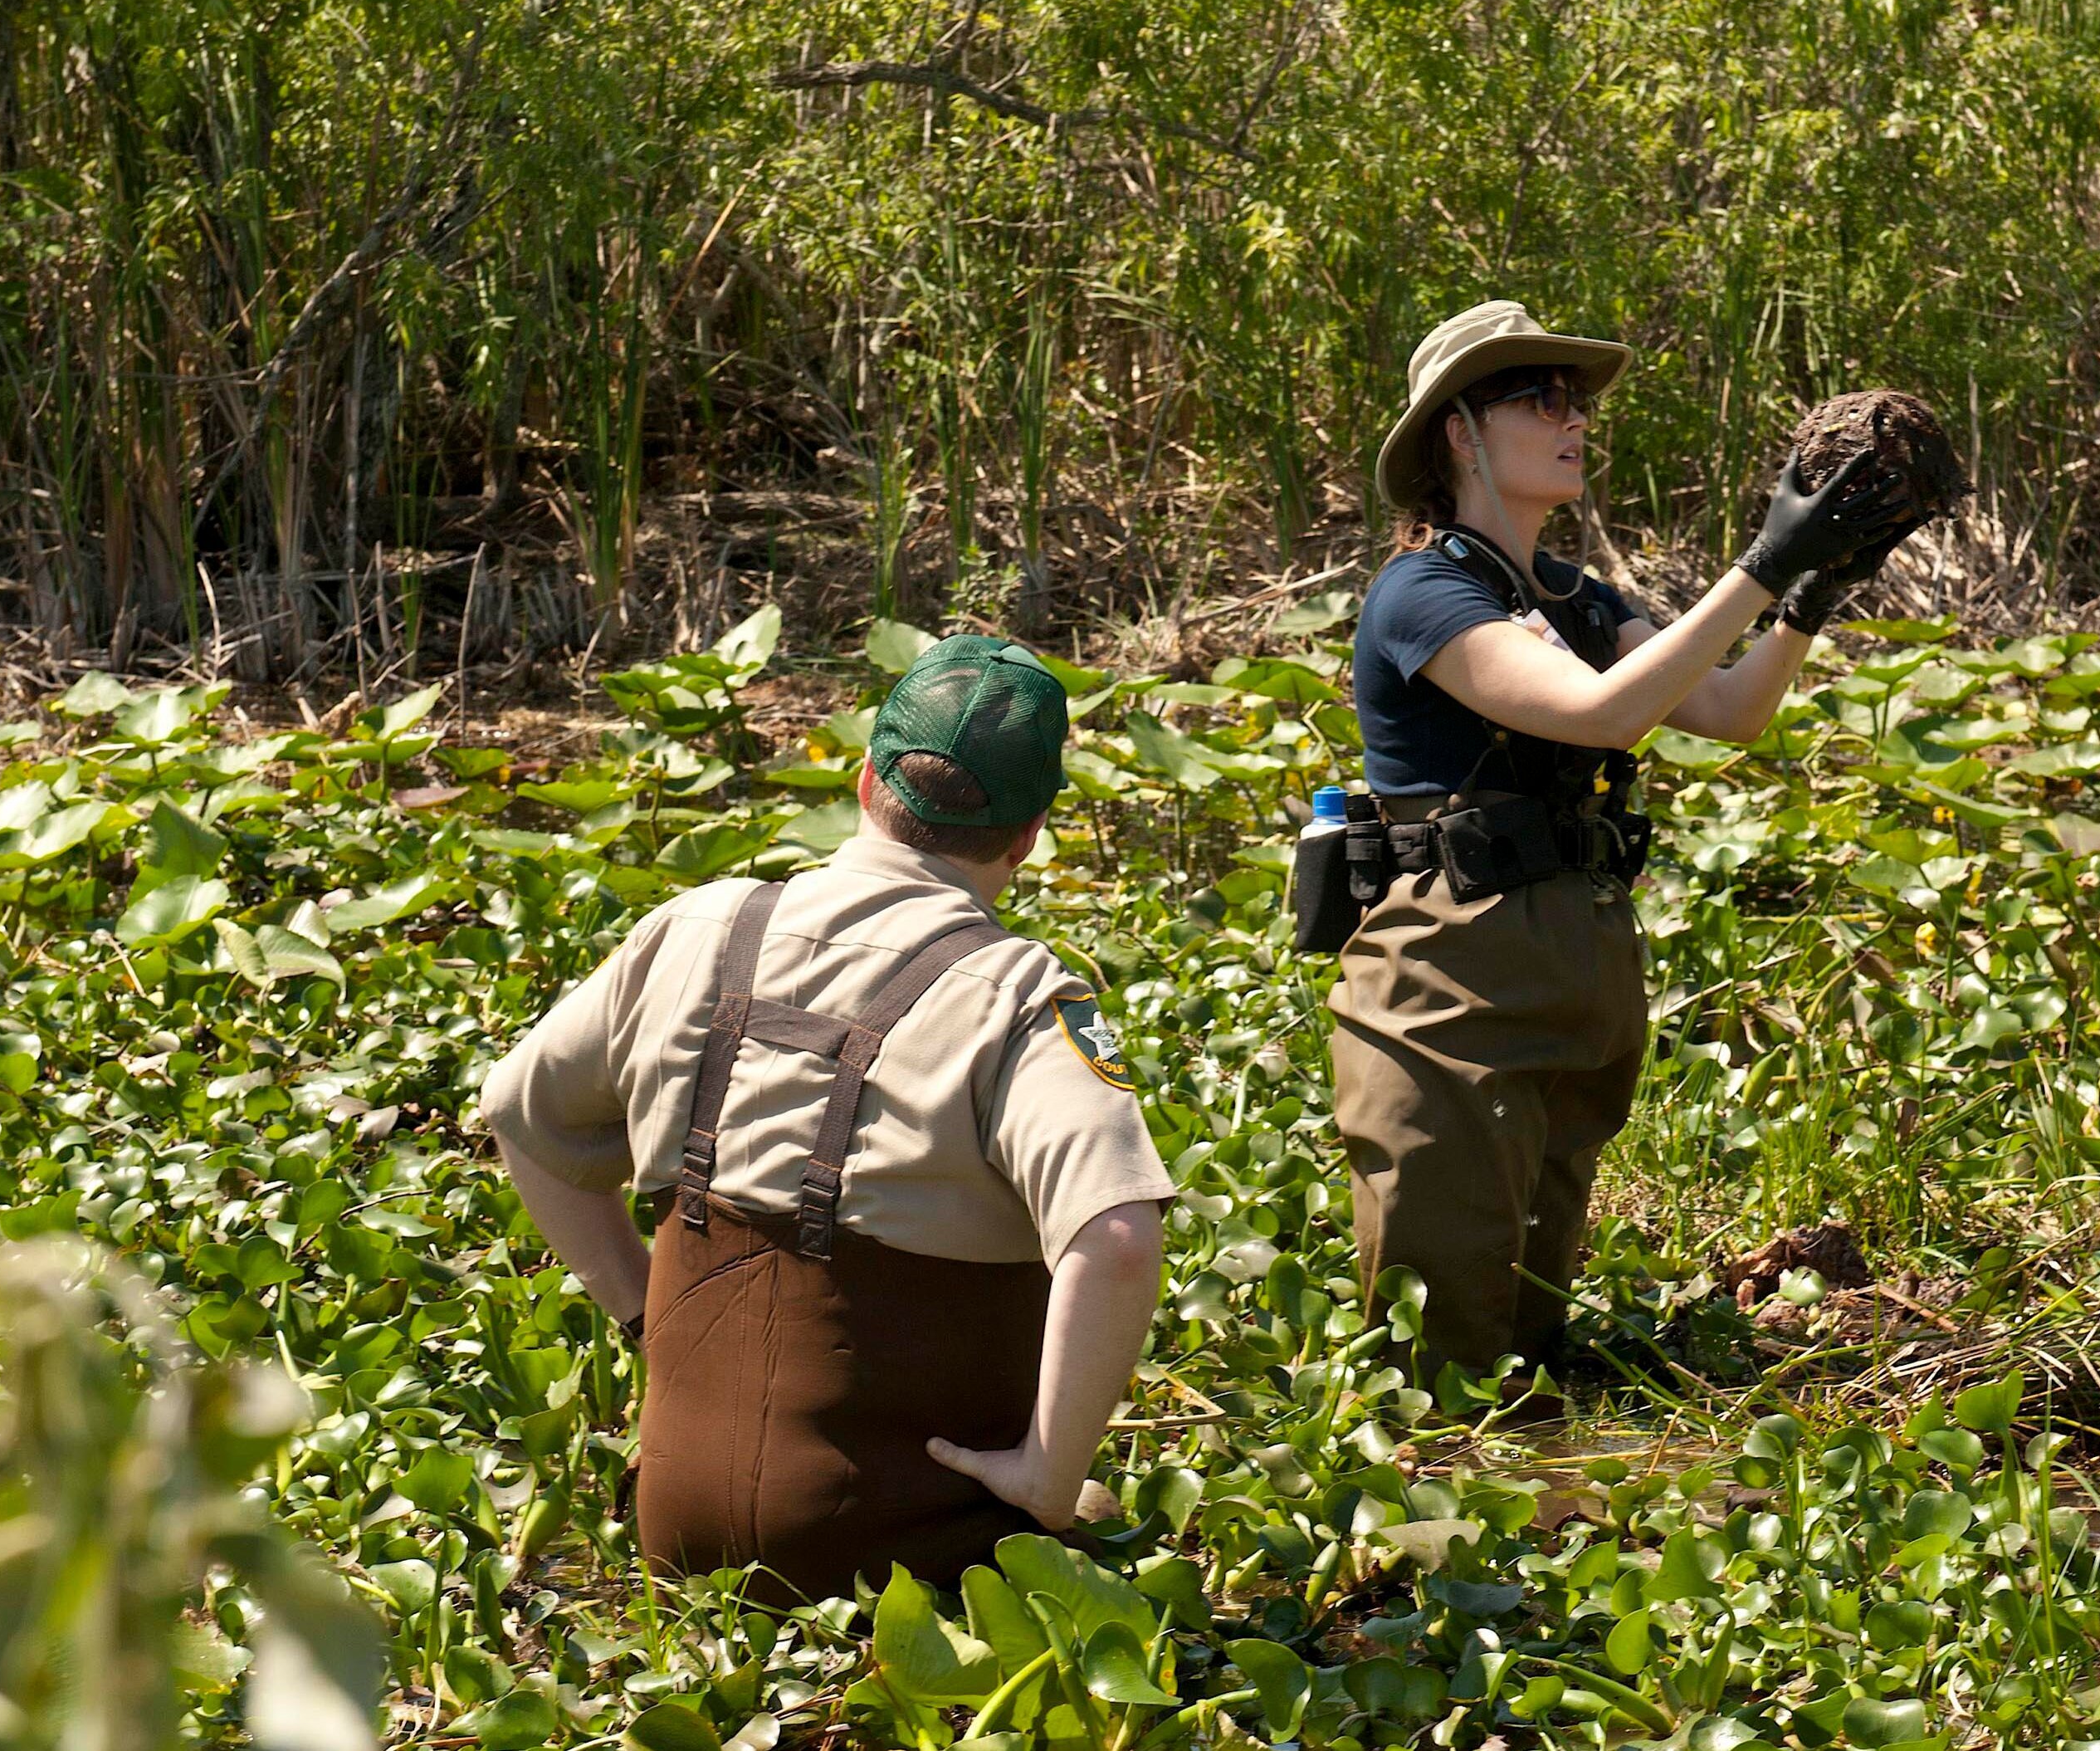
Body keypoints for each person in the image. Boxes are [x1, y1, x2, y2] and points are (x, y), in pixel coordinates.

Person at [477, 635, 1174, 1602]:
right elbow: (1122, 1239)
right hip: (906, 1557)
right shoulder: (1023, 996)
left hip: (676, 1529)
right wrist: (1048, 1479)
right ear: (1029, 834)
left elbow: (518, 1113)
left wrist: (646, 1315)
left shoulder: (696, 924)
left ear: (862, 781)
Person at [1336, 301, 1940, 1395]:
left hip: (1575, 973)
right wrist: (1764, 559)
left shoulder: (1574, 594)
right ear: (1459, 432)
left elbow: (1726, 707)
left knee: (1530, 1333)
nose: (1574, 417)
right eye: (1539, 395)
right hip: (1448, 983)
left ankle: (1537, 1515)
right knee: (1439, 1357)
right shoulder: (1424, 591)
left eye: (1577, 398)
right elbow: (1603, 713)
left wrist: (1813, 587)